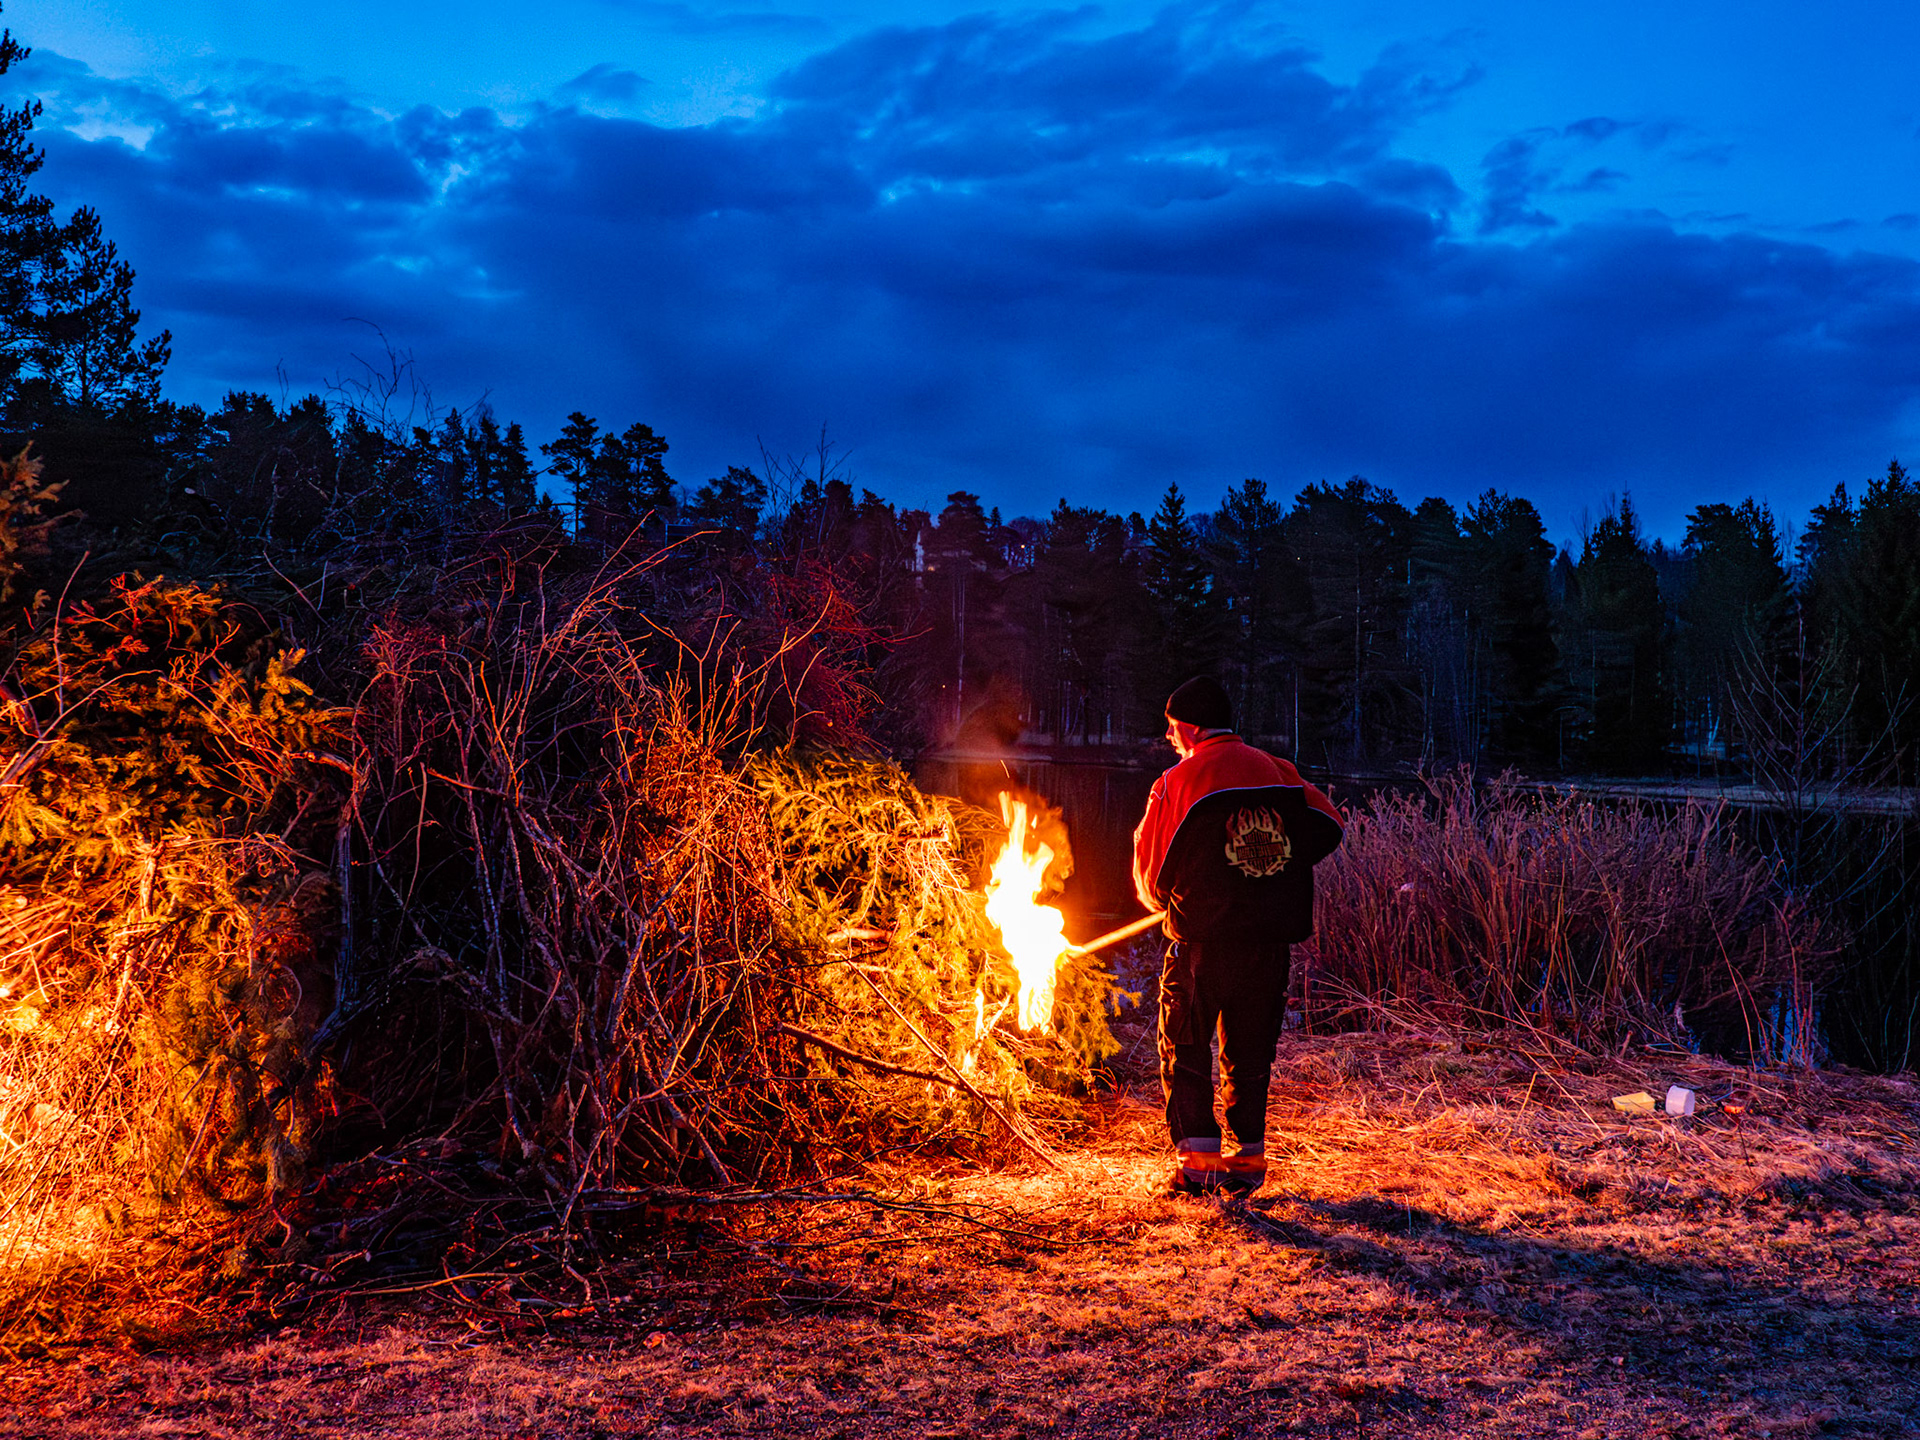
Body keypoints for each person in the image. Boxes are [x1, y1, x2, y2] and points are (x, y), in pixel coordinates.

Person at [1132, 676, 1344, 1196]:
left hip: (1202, 944)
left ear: (1189, 726)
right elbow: (1331, 825)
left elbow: (1150, 876)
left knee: (1184, 1046)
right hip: (1268, 945)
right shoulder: (1278, 771)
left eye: (1170, 727)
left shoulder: (1178, 782)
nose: (1168, 737)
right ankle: (1248, 1166)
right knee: (1250, 1054)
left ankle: (1198, 1168)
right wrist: (1271, 868)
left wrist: (1175, 899)